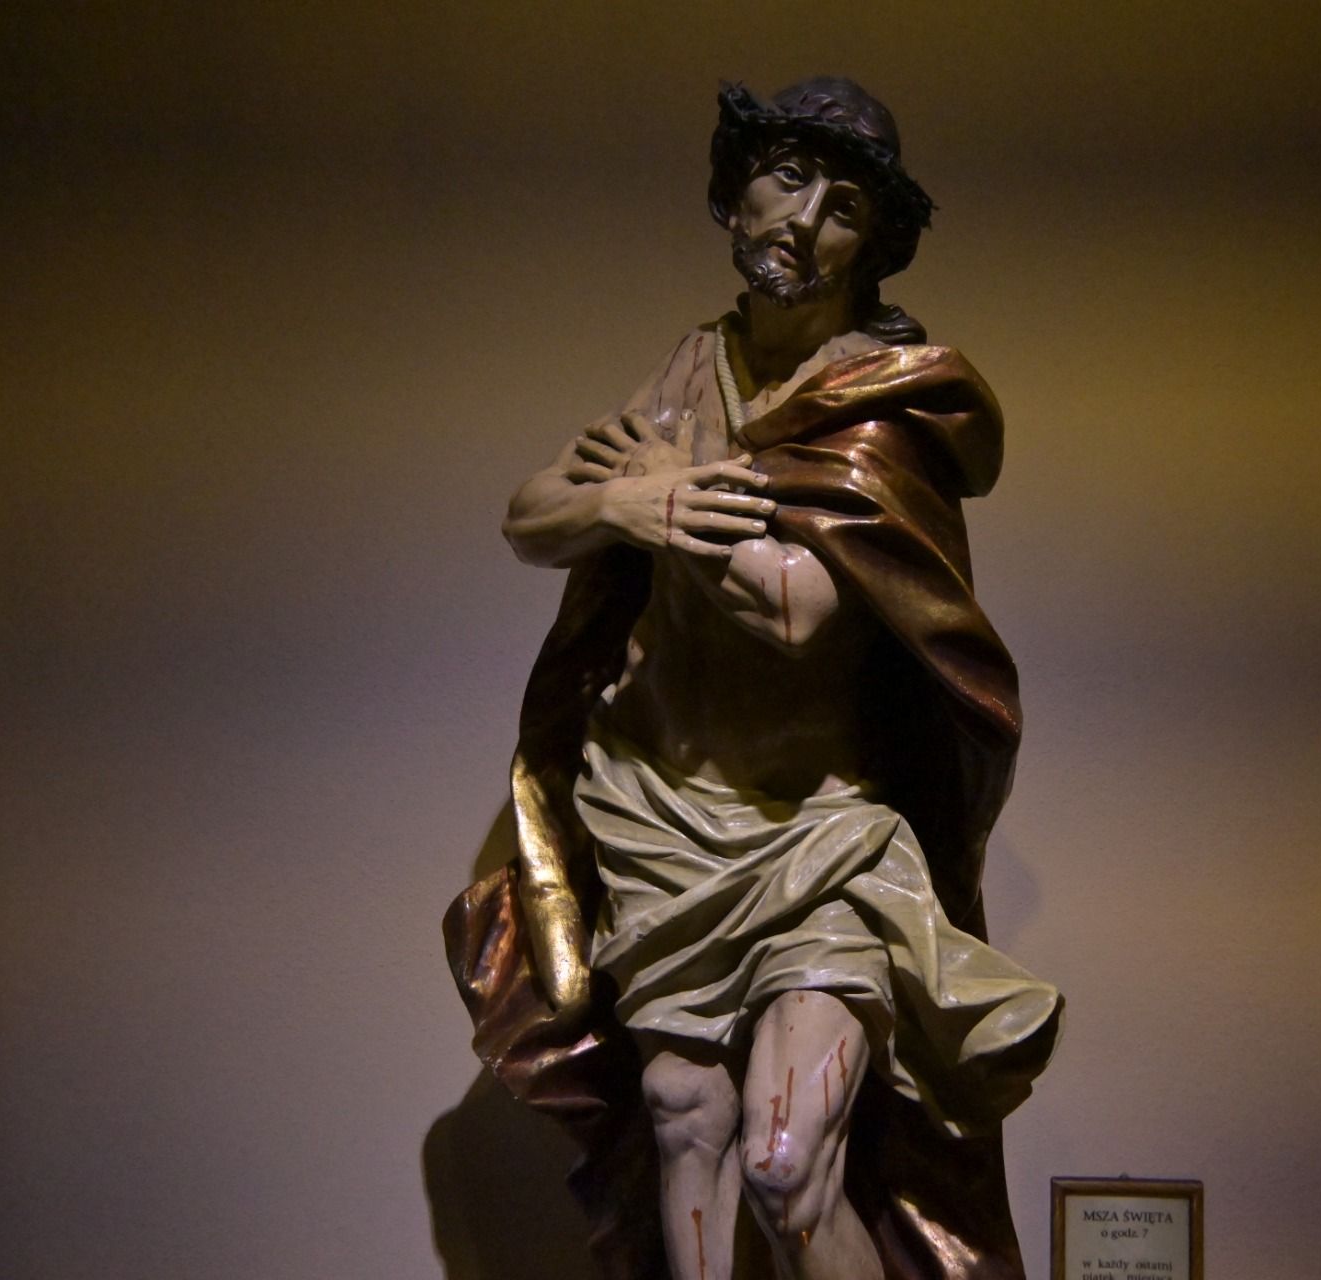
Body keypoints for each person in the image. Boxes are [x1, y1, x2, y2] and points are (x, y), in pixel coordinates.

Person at [446, 78, 1062, 1280]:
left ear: (871, 244)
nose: (805, 220)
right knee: (685, 1119)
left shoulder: (879, 404)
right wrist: (632, 501)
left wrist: (666, 499)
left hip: (819, 827)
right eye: (786, 178)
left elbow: (796, 611)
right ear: (735, 192)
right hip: (663, 811)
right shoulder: (697, 362)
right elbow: (532, 514)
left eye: (845, 206)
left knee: (785, 1163)